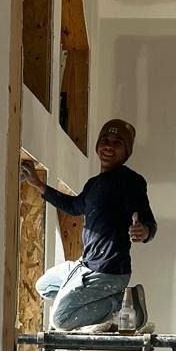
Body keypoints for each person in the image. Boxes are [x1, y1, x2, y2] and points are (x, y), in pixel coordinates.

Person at [21, 117, 157, 332]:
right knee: (44, 286)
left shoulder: (129, 181)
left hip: (108, 272)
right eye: (105, 139)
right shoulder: (94, 184)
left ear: (126, 152)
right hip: (85, 266)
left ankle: (122, 304)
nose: (109, 146)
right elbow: (74, 206)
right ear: (97, 145)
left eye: (117, 142)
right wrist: (38, 185)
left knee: (60, 321)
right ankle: (109, 305)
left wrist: (145, 230)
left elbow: (149, 220)